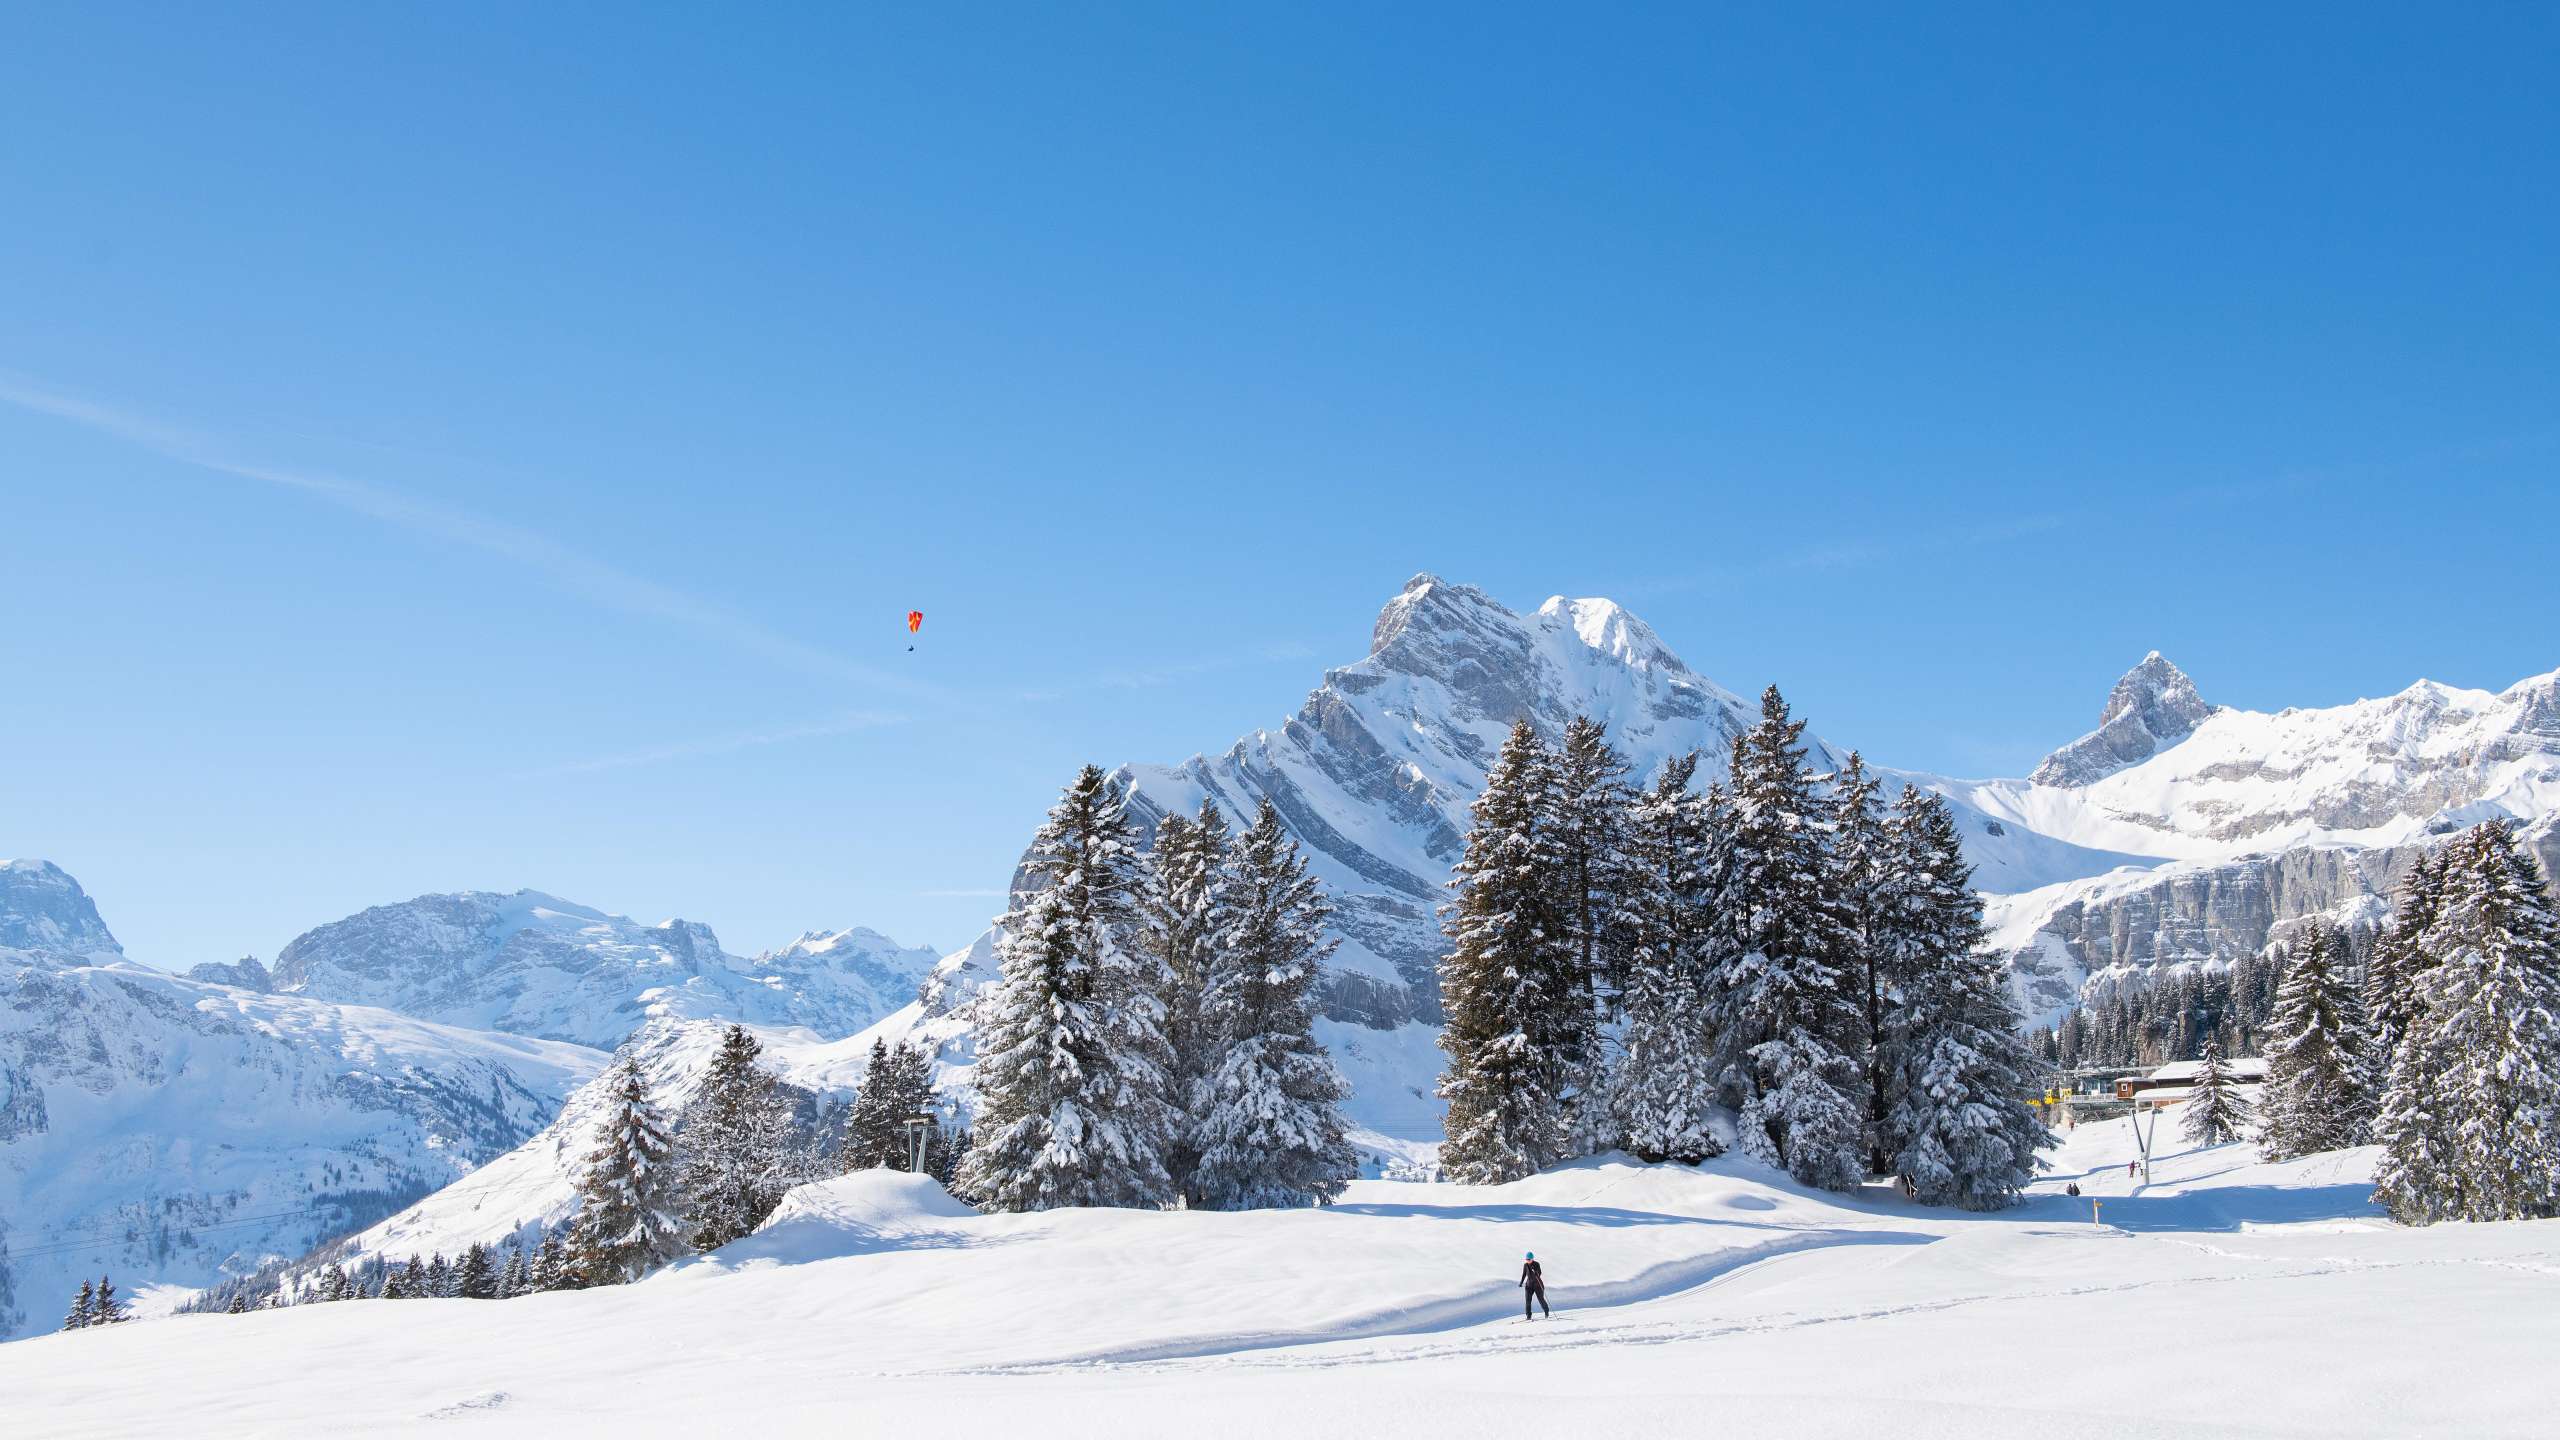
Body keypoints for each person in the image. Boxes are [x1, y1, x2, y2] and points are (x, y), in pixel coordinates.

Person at [1519, 1251, 1549, 1320]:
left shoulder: (1536, 1264)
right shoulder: (1525, 1265)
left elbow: (1539, 1272)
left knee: (1541, 1299)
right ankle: (1528, 1315)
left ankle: (1546, 1311)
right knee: (1528, 1301)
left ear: (1532, 1259)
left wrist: (1536, 1273)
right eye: (1526, 1259)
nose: (1527, 1261)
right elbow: (1524, 1274)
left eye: (1529, 1259)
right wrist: (1521, 1282)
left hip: (1537, 1285)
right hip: (1529, 1286)